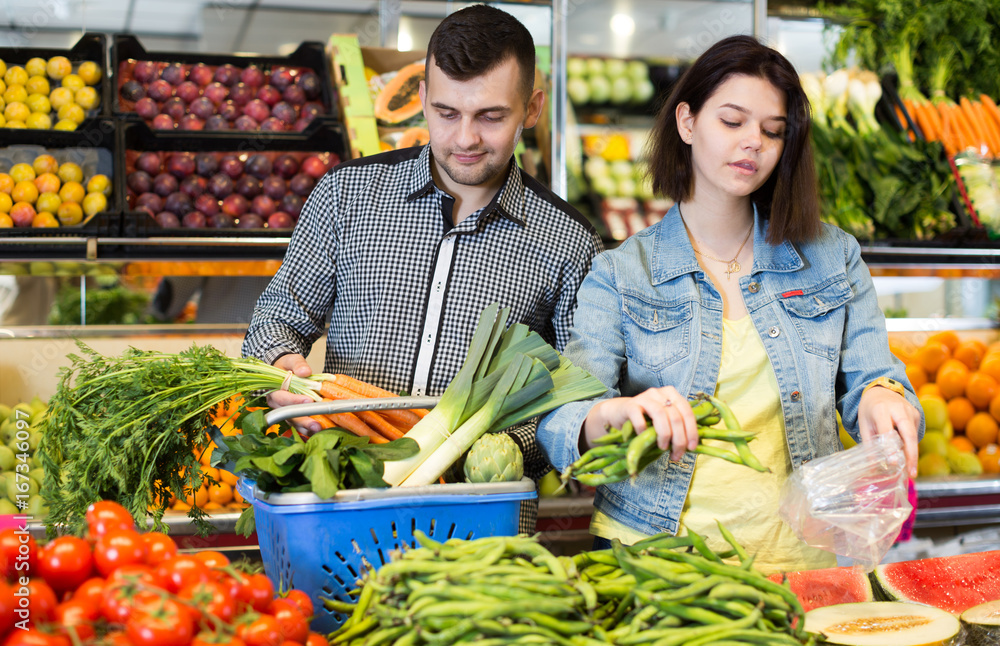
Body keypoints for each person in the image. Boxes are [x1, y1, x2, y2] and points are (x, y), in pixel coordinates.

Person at [536, 34, 923, 573]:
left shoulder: (833, 257)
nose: (753, 144)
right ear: (688, 122)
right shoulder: (621, 272)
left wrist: (886, 400)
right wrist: (615, 413)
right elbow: (560, 420)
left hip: (801, 557)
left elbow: (875, 378)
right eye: (732, 122)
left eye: (772, 131)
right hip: (652, 559)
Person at [242, 4, 603, 533]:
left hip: (482, 519)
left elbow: (577, 397)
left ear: (532, 108)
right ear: (421, 101)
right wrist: (283, 368)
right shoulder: (347, 196)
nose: (465, 139)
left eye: (491, 116)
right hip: (347, 498)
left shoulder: (570, 240)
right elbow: (277, 315)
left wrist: (490, 444)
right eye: (447, 112)